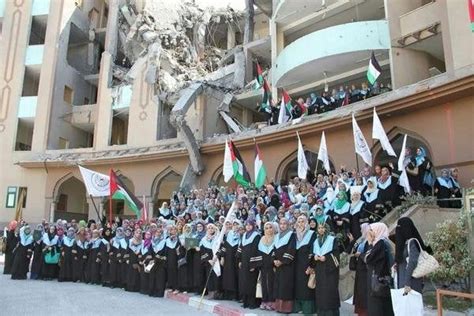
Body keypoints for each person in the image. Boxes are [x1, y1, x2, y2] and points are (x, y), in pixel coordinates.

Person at [363, 223, 394, 316]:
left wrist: (369, 244)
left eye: (372, 230)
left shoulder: (380, 243)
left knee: (378, 308)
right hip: (381, 279)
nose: (370, 233)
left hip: (379, 280)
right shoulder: (381, 242)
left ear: (378, 231)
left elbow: (368, 259)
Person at [395, 217, 431, 294]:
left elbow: (412, 263)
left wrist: (407, 283)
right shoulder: (404, 243)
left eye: (400, 227)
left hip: (411, 283)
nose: (397, 229)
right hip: (403, 280)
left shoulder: (413, 242)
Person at [311, 222, 340, 315]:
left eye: (323, 228)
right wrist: (314, 257)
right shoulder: (316, 241)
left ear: (326, 228)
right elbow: (312, 255)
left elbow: (336, 254)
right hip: (320, 269)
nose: (321, 230)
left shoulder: (332, 240)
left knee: (330, 291)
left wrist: (326, 258)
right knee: (320, 291)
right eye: (319, 228)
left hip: (330, 271)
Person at [293, 215, 316, 314]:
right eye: (299, 221)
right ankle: (298, 307)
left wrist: (311, 265)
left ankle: (308, 309)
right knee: (298, 286)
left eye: (303, 221)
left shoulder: (312, 234)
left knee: (307, 288)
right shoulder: (294, 235)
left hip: (306, 264)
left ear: (306, 223)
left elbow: (313, 250)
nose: (300, 224)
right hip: (296, 265)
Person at [273, 217, 296, 313]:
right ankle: (279, 307)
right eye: (281, 223)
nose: (282, 225)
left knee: (286, 286)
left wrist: (282, 261)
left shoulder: (291, 235)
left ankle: (286, 308)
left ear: (288, 225)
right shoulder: (277, 236)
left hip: (287, 266)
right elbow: (274, 249)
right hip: (278, 266)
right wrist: (274, 260)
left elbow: (291, 249)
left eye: (284, 223)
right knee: (279, 286)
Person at [237, 218, 261, 309]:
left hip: (251, 263)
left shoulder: (256, 236)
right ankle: (246, 302)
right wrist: (239, 260)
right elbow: (241, 248)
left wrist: (253, 265)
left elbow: (256, 251)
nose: (248, 226)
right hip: (244, 263)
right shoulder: (244, 235)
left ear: (253, 226)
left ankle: (253, 303)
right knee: (244, 282)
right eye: (246, 225)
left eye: (250, 225)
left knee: (251, 283)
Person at [256, 221, 277, 311]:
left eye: (270, 227)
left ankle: (272, 302)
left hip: (273, 265)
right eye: (266, 228)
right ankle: (264, 301)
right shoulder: (262, 239)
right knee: (264, 283)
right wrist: (259, 265)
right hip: (263, 265)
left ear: (274, 228)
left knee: (272, 283)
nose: (268, 230)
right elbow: (259, 252)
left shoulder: (277, 238)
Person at [219, 219, 241, 300]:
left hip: (235, 259)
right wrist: (222, 257)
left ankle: (235, 295)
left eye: (237, 224)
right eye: (234, 225)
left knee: (235, 276)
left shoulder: (241, 235)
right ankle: (227, 294)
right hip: (227, 259)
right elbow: (224, 247)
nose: (236, 226)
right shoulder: (229, 234)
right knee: (227, 276)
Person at [351, 223, 370, 316]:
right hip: (360, 270)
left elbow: (368, 256)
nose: (361, 231)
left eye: (363, 229)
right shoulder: (361, 241)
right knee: (360, 293)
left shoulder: (370, 241)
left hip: (365, 271)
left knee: (363, 292)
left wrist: (360, 255)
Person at [149, 225, 167, 297]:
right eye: (157, 232)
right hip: (152, 263)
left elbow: (164, 252)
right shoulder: (152, 241)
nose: (158, 233)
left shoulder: (164, 242)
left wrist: (156, 259)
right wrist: (151, 259)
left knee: (160, 278)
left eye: (160, 232)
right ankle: (152, 292)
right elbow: (150, 251)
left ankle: (159, 293)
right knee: (153, 277)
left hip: (160, 263)